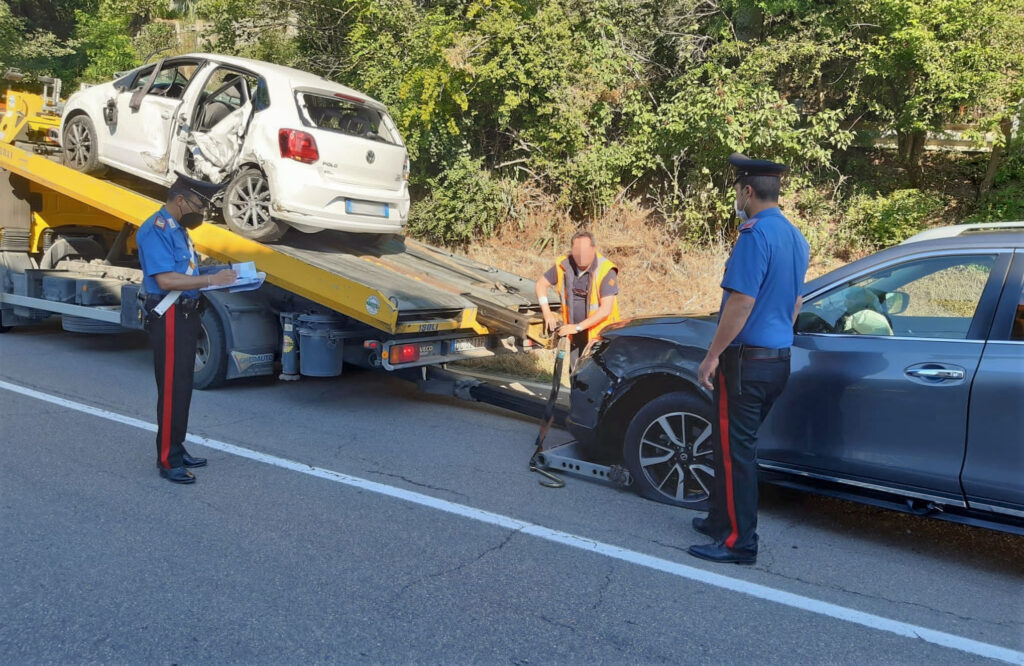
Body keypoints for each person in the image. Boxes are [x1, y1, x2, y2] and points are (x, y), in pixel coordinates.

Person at [688, 153, 810, 564]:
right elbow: (794, 303)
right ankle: (719, 520)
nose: (736, 197)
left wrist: (712, 355)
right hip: (777, 360)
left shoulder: (754, 235)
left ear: (747, 191)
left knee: (735, 452)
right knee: (732, 445)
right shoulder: (796, 237)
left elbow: (740, 302)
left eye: (737, 191)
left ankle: (740, 542)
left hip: (746, 363)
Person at [136, 173, 237, 484]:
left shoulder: (179, 231)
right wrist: (211, 280)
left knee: (182, 386)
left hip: (187, 315)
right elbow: (166, 280)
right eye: (198, 204)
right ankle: (168, 458)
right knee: (171, 388)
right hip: (168, 316)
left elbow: (186, 271)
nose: (202, 211)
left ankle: (177, 446)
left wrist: (223, 273)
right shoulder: (157, 230)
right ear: (180, 200)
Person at [535, 231, 621, 367]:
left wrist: (578, 327)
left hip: (599, 336)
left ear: (594, 249)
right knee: (575, 375)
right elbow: (541, 285)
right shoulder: (563, 265)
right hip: (575, 334)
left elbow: (606, 309)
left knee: (594, 377)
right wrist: (547, 313)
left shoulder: (605, 270)